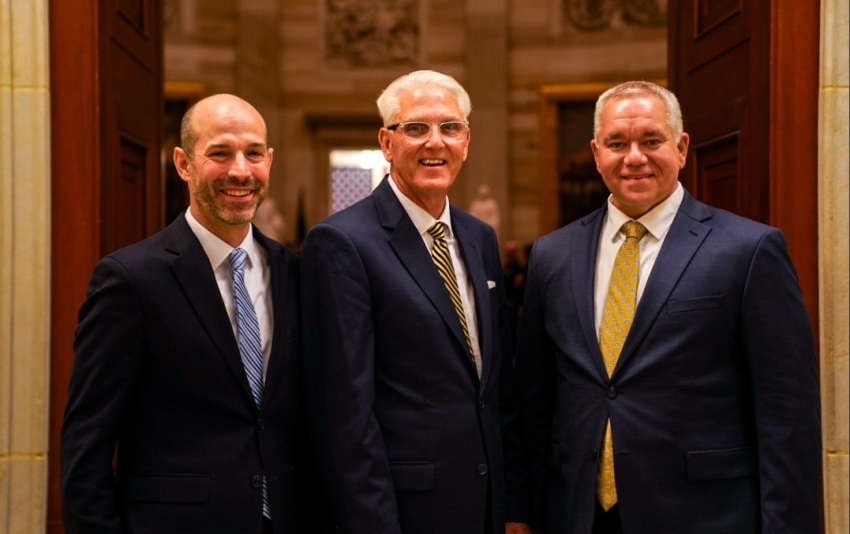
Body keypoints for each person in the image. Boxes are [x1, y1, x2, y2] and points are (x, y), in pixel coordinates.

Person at [505, 81, 821, 533]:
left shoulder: (749, 251)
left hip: (704, 514)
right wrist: (522, 509)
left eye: (651, 140)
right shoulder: (552, 255)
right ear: (597, 154)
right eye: (617, 143)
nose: (634, 156)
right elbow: (534, 401)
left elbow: (786, 414)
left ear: (681, 146)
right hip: (576, 513)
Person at [61, 94, 318, 533]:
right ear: (183, 163)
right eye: (220, 153)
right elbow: (86, 444)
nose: (240, 170)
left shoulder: (295, 273)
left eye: (253, 153)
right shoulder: (130, 279)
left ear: (269, 161)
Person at [301, 70, 515, 534]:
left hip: (484, 505)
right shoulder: (341, 243)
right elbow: (343, 413)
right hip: (403, 511)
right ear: (387, 141)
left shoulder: (480, 237)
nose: (435, 142)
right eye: (416, 128)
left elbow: (494, 388)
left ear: (467, 140)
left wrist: (511, 505)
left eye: (450, 128)